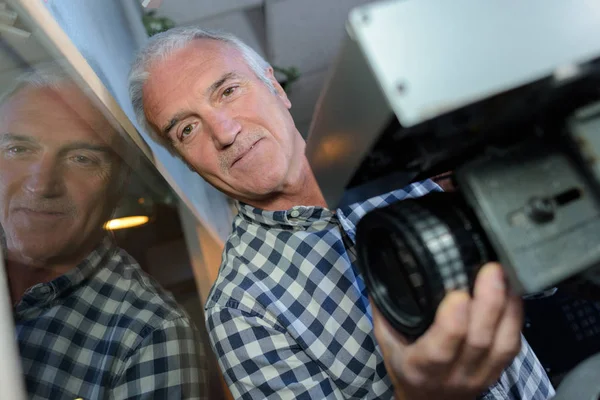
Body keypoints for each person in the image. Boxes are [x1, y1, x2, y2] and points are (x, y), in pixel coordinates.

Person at [129, 26, 555, 399]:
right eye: (187, 129)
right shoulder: (240, 311)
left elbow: (534, 274)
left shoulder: (396, 166)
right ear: (184, 160)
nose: (224, 132)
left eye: (227, 90)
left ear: (275, 88)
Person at [0, 68, 206, 399]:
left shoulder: (151, 334)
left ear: (119, 183)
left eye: (81, 158)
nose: (40, 185)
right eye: (18, 149)